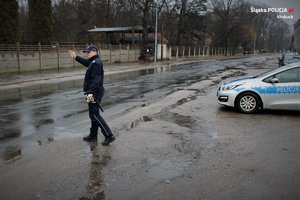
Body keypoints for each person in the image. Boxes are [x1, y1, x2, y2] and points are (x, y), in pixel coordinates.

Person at [68, 45, 115, 145]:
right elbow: (87, 63)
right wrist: (75, 57)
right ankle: (93, 135)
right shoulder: (94, 62)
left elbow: (96, 80)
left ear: (94, 51)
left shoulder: (96, 63)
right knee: (93, 114)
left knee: (94, 114)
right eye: (86, 52)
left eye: (88, 52)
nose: (87, 54)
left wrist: (91, 93)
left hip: (95, 92)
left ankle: (109, 135)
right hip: (94, 92)